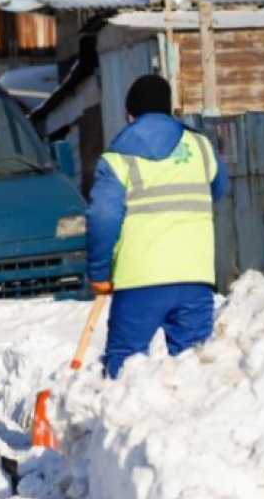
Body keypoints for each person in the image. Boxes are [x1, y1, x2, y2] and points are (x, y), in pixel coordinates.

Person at [86, 74, 228, 378]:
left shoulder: (117, 159)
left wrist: (99, 273)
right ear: (170, 110)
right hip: (195, 276)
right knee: (195, 368)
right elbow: (217, 190)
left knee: (124, 371)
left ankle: (121, 424)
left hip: (139, 280)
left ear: (129, 116)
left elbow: (103, 217)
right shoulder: (202, 147)